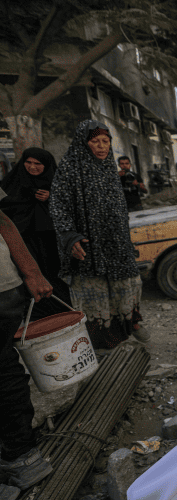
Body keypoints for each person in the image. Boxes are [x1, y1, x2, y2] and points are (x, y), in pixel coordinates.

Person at [50, 120, 150, 350]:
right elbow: (58, 205)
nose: (102, 146)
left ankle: (129, 325)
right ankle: (100, 344)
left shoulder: (109, 169)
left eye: (106, 141)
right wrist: (69, 235)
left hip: (116, 244)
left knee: (124, 286)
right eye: (95, 141)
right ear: (83, 143)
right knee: (95, 295)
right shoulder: (69, 169)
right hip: (88, 244)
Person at [0, 203, 54, 500]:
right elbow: (3, 220)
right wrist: (32, 273)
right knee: (5, 365)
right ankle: (23, 458)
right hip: (5, 286)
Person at [0, 148, 70, 319]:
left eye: (38, 164)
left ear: (46, 165)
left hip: (51, 242)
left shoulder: (59, 184)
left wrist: (51, 197)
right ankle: (38, 317)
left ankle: (62, 314)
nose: (32, 167)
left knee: (54, 278)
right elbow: (5, 210)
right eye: (28, 162)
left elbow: (70, 208)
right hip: (24, 242)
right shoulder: (12, 182)